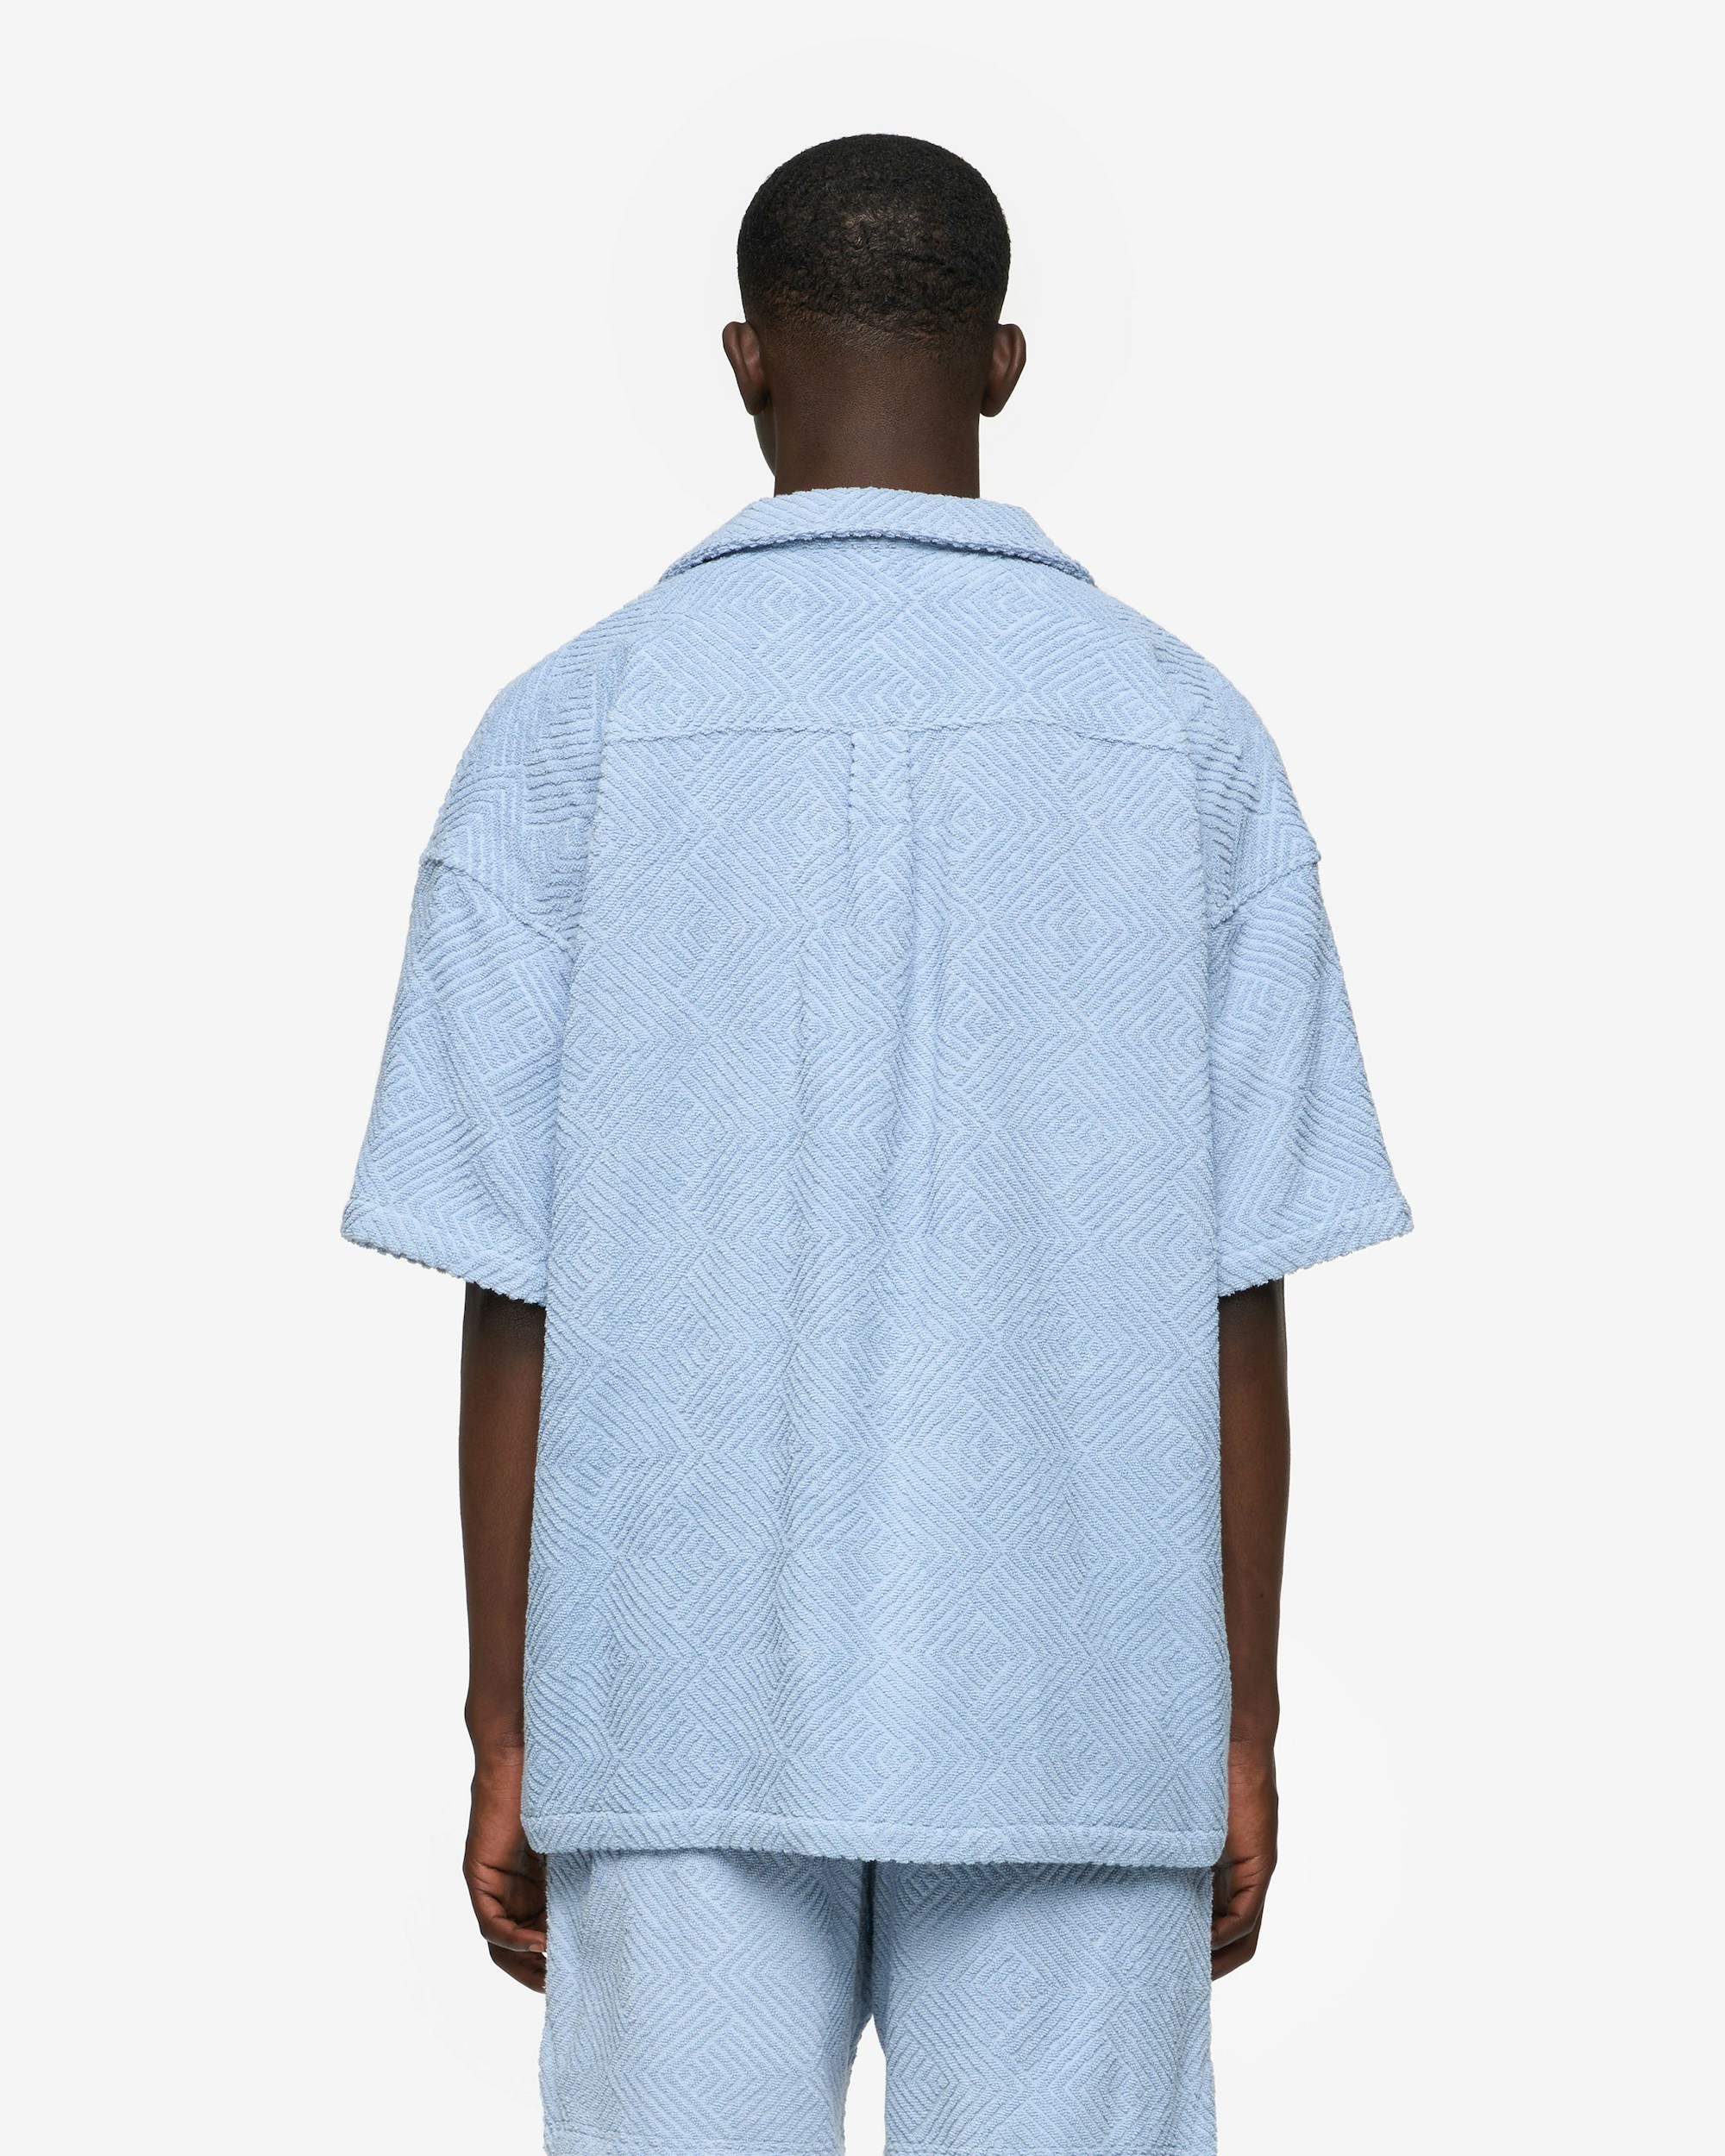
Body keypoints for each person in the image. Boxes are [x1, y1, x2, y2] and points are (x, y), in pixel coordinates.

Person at [343, 133, 1409, 2156]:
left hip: (668, 1689)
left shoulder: (568, 732)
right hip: (1077, 1692)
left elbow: (513, 1283)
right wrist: (1238, 1717)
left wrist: (507, 1716)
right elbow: (1234, 1284)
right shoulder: (1184, 734)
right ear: (1001, 362)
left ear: (744, 360)